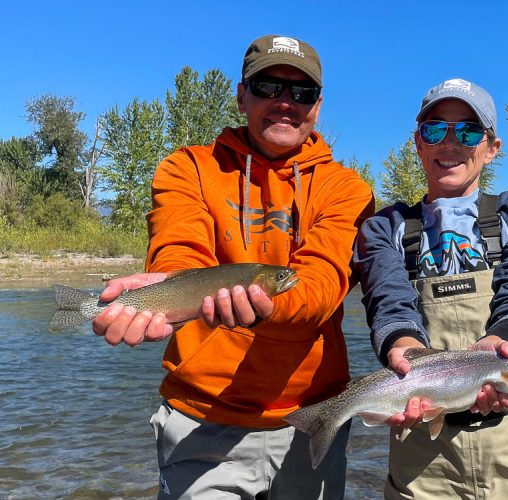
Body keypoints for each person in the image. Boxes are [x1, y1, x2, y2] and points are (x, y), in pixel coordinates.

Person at [92, 34, 374, 499]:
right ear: (241, 95)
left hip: (313, 420)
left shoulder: (347, 189)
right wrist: (167, 289)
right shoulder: (187, 169)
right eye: (268, 87)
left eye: (301, 93)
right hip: (200, 419)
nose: (285, 103)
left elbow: (322, 284)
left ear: (318, 107)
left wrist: (264, 303)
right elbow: (180, 248)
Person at [353, 78, 508, 499]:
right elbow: (389, 303)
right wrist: (402, 348)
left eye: (469, 131)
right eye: (435, 129)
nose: (450, 143)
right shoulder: (385, 228)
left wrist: (501, 345)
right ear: (418, 143)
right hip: (422, 450)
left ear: (492, 148)